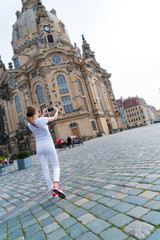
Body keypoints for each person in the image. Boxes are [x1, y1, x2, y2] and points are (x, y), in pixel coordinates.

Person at [27, 105, 65, 199]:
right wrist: (56, 111)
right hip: (48, 144)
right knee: (55, 165)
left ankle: (53, 191)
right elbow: (55, 118)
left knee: (45, 169)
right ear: (36, 112)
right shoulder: (42, 120)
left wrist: (43, 114)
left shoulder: (29, 124)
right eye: (38, 111)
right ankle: (56, 185)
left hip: (39, 147)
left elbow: (37, 122)